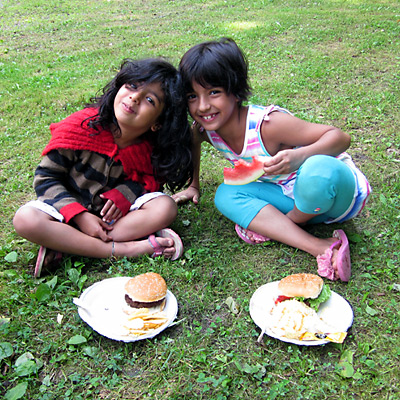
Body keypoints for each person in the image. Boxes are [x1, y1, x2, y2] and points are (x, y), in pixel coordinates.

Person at [173, 38, 371, 282]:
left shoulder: (269, 125)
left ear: (235, 93)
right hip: (291, 199)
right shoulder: (205, 130)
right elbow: (194, 142)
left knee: (316, 169)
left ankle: (285, 225)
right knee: (225, 194)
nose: (203, 106)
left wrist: (300, 156)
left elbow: (340, 138)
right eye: (193, 96)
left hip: (334, 194)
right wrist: (193, 185)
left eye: (214, 92)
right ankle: (320, 246)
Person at [13, 58, 193, 277]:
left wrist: (125, 193)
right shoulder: (81, 127)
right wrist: (79, 216)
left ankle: (68, 243)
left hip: (114, 221)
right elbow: (46, 178)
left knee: (166, 207)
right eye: (133, 86)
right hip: (66, 212)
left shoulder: (150, 148)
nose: (134, 97)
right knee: (25, 219)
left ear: (158, 123)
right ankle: (127, 248)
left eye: (149, 100)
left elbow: (151, 180)